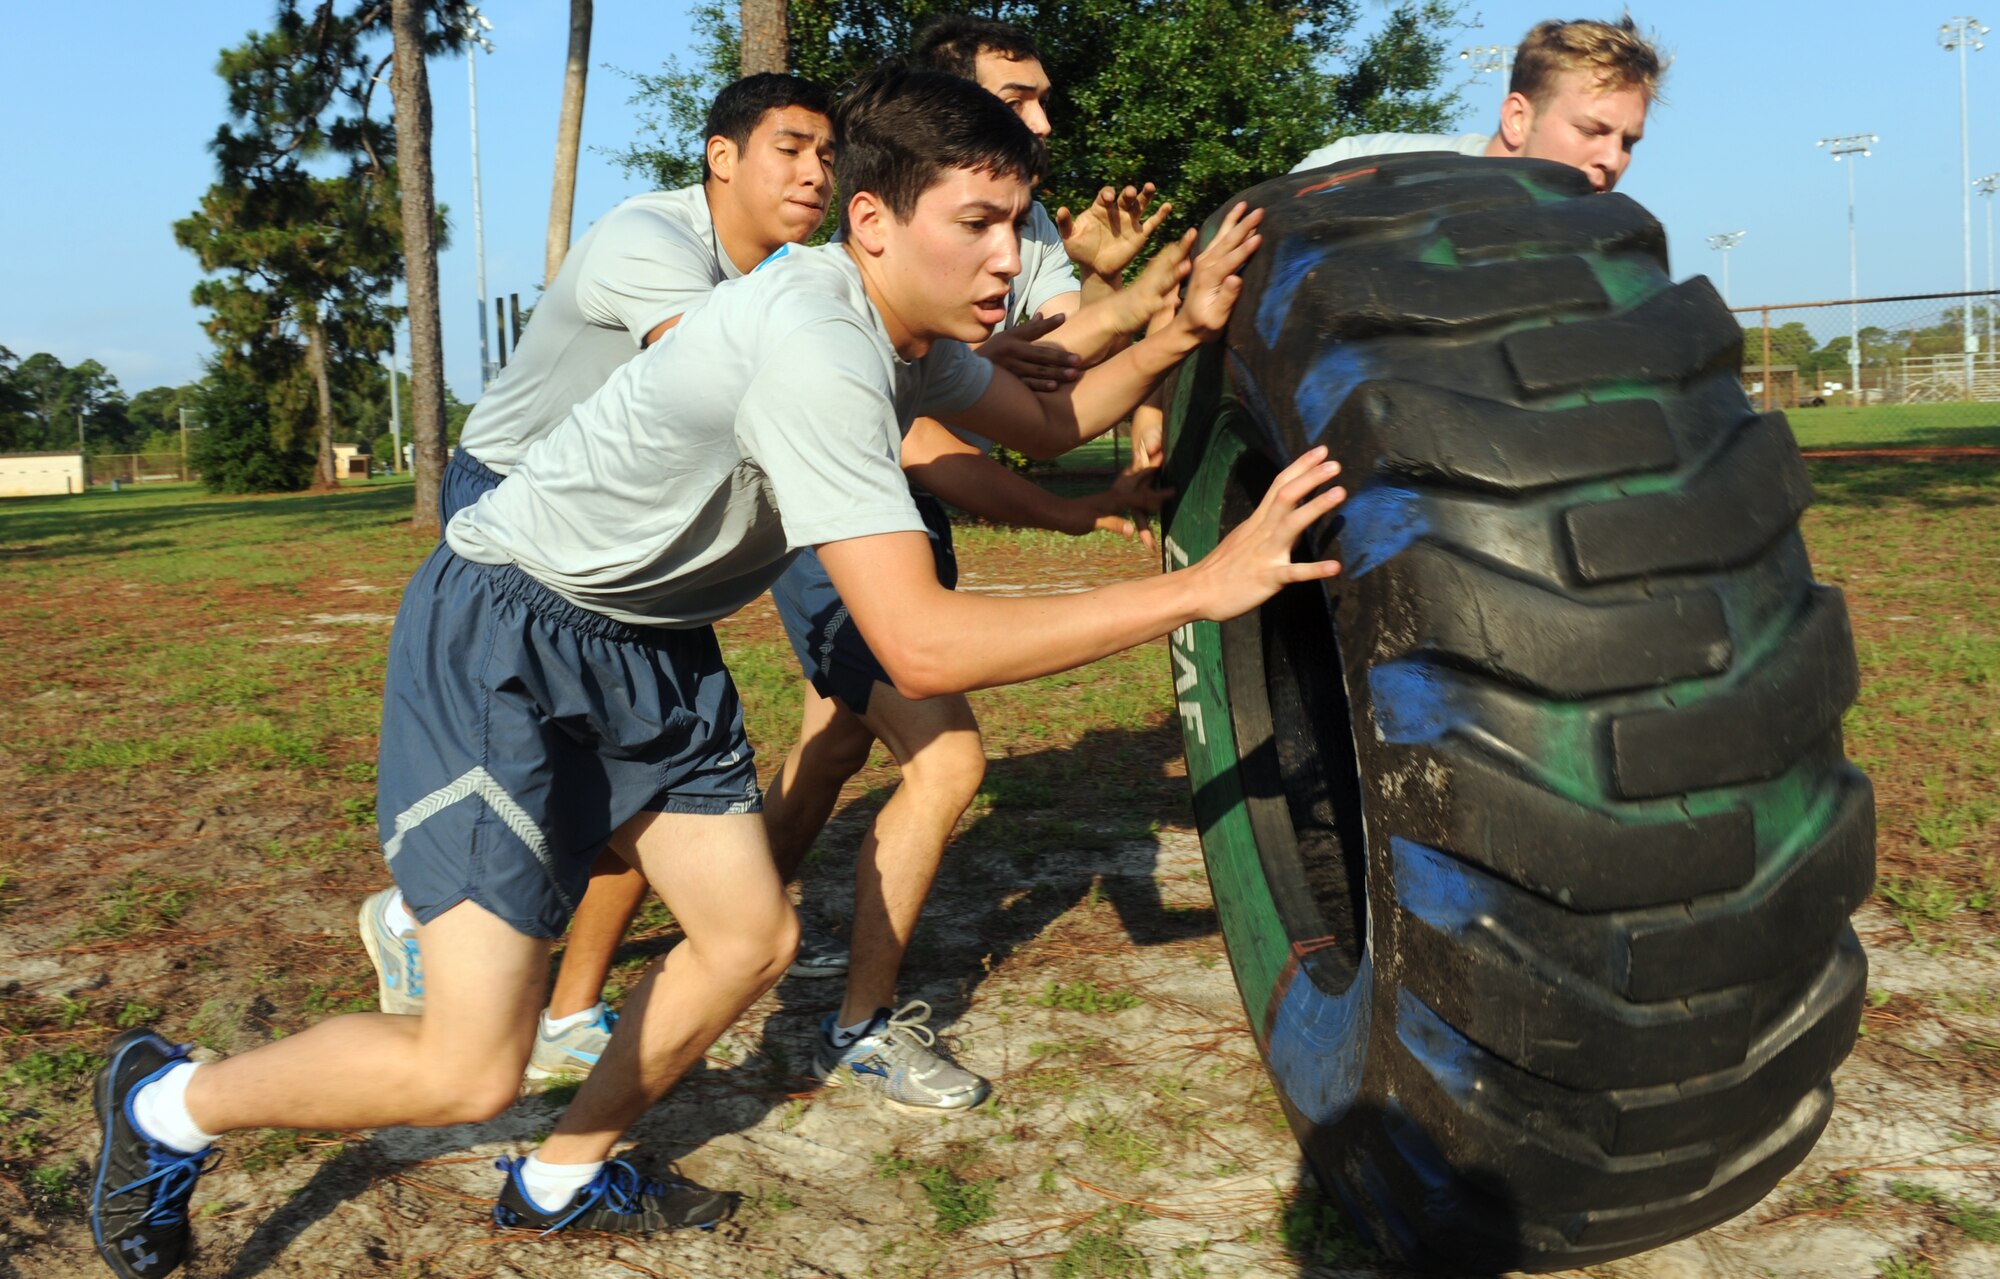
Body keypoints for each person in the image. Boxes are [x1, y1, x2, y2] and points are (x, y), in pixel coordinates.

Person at [89, 66, 1345, 1276]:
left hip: (652, 646)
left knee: (746, 938)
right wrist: (1199, 585)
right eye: (976, 223)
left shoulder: (896, 325)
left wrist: (1180, 325)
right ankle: (168, 1101)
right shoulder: (816, 342)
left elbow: (1048, 419)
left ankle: (562, 1178)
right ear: (873, 219)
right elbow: (916, 642)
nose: (1009, 261)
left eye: (1015, 223)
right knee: (470, 1069)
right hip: (508, 638)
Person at [355, 73, 838, 1085]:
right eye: (791, 147)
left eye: (827, 155)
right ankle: (425, 916)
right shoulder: (648, 240)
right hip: (514, 492)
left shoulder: (784, 272)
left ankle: (545, 995)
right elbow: (720, 374)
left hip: (616, 522)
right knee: (562, 751)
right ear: (721, 155)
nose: (814, 172)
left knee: (623, 761)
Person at [759, 13, 1173, 1113]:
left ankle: (742, 912)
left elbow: (1040, 388)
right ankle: (847, 1022)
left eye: (1038, 102)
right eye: (1014, 100)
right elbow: (952, 449)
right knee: (943, 760)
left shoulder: (997, 239)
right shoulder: (832, 329)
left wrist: (1145, 318)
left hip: (869, 524)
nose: (1041, 124)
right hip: (629, 580)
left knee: (834, 739)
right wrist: (1190, 582)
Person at [1291, 15, 1665, 193]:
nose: (1614, 160)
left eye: (1628, 142)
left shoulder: (1614, 268)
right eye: (1590, 130)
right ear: (1517, 118)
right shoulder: (1356, 167)